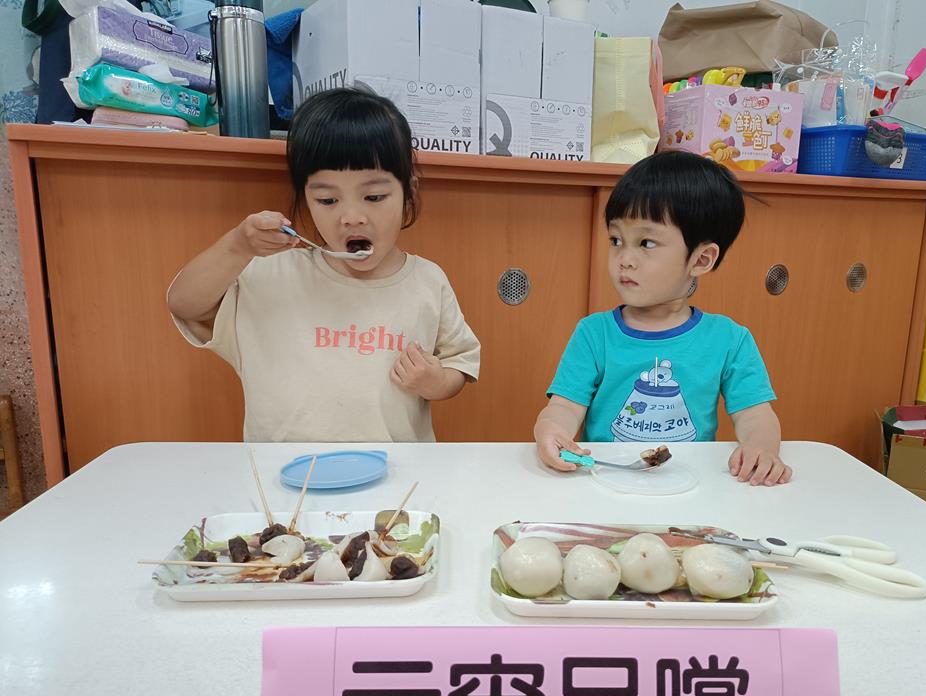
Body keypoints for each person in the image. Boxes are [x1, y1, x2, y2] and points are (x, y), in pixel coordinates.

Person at [167, 88, 480, 442]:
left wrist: (436, 382)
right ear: (306, 199)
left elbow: (460, 362)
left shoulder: (427, 281)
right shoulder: (272, 275)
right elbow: (184, 305)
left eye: (374, 196)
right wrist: (238, 246)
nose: (352, 217)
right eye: (328, 200)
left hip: (393, 471)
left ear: (408, 194)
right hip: (283, 472)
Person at [534, 151, 791, 486]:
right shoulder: (594, 334)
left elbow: (755, 414)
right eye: (616, 240)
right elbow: (565, 408)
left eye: (646, 243)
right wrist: (550, 430)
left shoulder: (729, 340)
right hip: (606, 482)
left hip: (690, 486)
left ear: (701, 259)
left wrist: (762, 448)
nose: (624, 259)